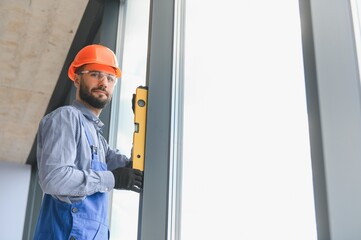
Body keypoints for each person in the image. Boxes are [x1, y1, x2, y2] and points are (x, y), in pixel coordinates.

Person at [33, 44, 143, 239]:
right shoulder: (66, 118)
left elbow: (133, 170)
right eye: (95, 74)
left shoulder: (99, 141)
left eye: (110, 78)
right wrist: (113, 178)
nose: (104, 83)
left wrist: (142, 121)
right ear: (77, 78)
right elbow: (54, 178)